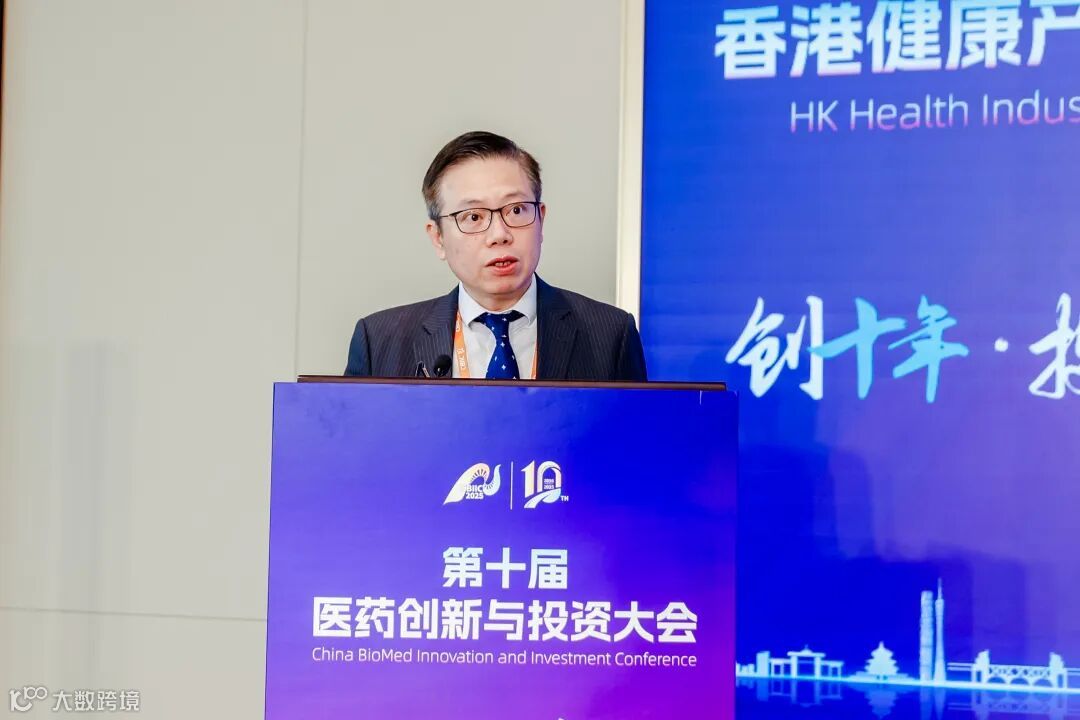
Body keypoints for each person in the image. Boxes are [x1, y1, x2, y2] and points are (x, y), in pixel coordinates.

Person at [344, 131, 647, 382]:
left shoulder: (610, 335)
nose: (499, 234)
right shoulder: (380, 341)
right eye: (473, 216)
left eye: (516, 210)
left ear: (541, 219)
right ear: (438, 238)